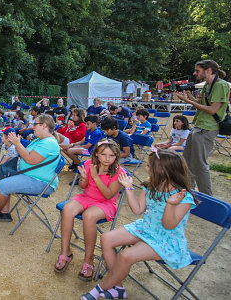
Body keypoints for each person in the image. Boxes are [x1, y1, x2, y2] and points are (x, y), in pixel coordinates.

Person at [81, 149, 198, 300]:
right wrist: (129, 188)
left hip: (166, 238)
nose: (146, 168)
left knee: (125, 255)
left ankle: (99, 289)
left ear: (162, 170)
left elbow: (169, 226)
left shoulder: (184, 197)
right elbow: (137, 210)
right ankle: (118, 287)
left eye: (149, 166)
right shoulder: (151, 185)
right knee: (106, 238)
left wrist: (170, 204)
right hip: (145, 228)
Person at [55, 139, 125, 280]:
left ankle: (89, 259)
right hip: (86, 197)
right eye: (103, 154)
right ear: (97, 154)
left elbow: (108, 195)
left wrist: (95, 176)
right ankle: (65, 251)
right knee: (67, 209)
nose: (107, 159)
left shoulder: (119, 172)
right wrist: (84, 179)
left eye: (111, 155)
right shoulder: (88, 164)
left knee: (89, 216)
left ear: (116, 156)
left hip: (105, 203)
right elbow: (83, 186)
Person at [0, 114, 60, 222]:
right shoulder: (40, 140)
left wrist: (17, 144)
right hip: (30, 175)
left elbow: (29, 159)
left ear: (44, 126)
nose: (32, 127)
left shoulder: (49, 143)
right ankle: (4, 213)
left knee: (2, 186)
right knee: (1, 175)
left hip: (41, 181)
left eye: (35, 124)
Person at [175, 60, 230, 195]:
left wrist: (188, 101)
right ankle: (188, 190)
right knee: (187, 160)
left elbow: (212, 110)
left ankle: (206, 196)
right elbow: (200, 103)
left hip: (207, 128)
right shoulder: (207, 85)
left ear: (209, 70)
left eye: (197, 70)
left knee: (200, 163)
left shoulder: (220, 85)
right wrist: (188, 96)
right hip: (198, 126)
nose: (195, 73)